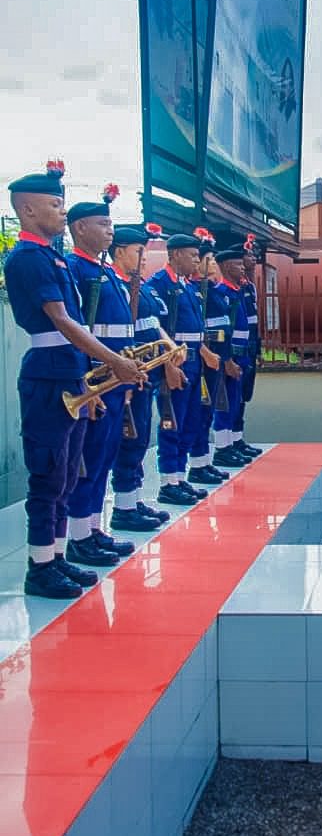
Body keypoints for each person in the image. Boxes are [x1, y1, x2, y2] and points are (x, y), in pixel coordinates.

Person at [4, 166, 144, 598]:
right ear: (27, 210)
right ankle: (40, 565)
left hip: (70, 376)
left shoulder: (53, 257)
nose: (61, 212)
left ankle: (59, 556)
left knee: (67, 474)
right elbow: (63, 321)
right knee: (47, 476)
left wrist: (91, 386)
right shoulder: (27, 258)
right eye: (54, 204)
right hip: (48, 376)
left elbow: (75, 322)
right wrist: (116, 364)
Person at [65, 189, 142, 564]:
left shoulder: (102, 271)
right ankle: (79, 535)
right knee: (88, 458)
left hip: (115, 379)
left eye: (110, 223)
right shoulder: (76, 270)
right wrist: (86, 384)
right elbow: (77, 332)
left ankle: (94, 528)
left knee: (104, 455)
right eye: (103, 223)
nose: (110, 231)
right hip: (94, 380)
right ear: (80, 228)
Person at [109, 224, 172, 529]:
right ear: (119, 252)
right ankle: (122, 508)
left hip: (145, 374)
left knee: (139, 440)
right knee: (126, 441)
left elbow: (152, 325)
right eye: (138, 251)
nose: (144, 258)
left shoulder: (142, 287)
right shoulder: (115, 286)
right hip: (125, 376)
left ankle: (132, 501)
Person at [146, 233, 215, 504]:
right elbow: (158, 330)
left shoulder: (186, 286)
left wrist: (203, 351)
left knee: (190, 421)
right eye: (192, 256)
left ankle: (180, 477)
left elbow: (196, 331)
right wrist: (167, 365)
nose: (197, 261)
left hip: (194, 361)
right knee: (171, 422)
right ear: (174, 255)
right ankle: (168, 482)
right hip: (174, 364)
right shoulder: (159, 285)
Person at [186, 230, 232, 485]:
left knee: (207, 413)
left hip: (217, 359)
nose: (213, 264)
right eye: (209, 260)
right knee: (198, 413)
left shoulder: (212, 289)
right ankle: (196, 464)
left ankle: (203, 461)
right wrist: (206, 352)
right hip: (202, 360)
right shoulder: (193, 289)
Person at [212, 249, 252, 468]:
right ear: (227, 267)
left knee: (237, 402)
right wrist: (228, 359)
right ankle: (223, 447)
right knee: (225, 404)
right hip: (230, 357)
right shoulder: (222, 292)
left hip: (242, 355)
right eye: (238, 264)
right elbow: (224, 332)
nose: (243, 268)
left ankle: (234, 442)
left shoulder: (238, 291)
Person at [228, 234, 263, 458]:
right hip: (237, 349)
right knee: (233, 396)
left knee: (244, 396)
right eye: (248, 255)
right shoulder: (233, 289)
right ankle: (229, 441)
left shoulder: (248, 286)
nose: (253, 259)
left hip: (250, 345)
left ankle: (238, 438)